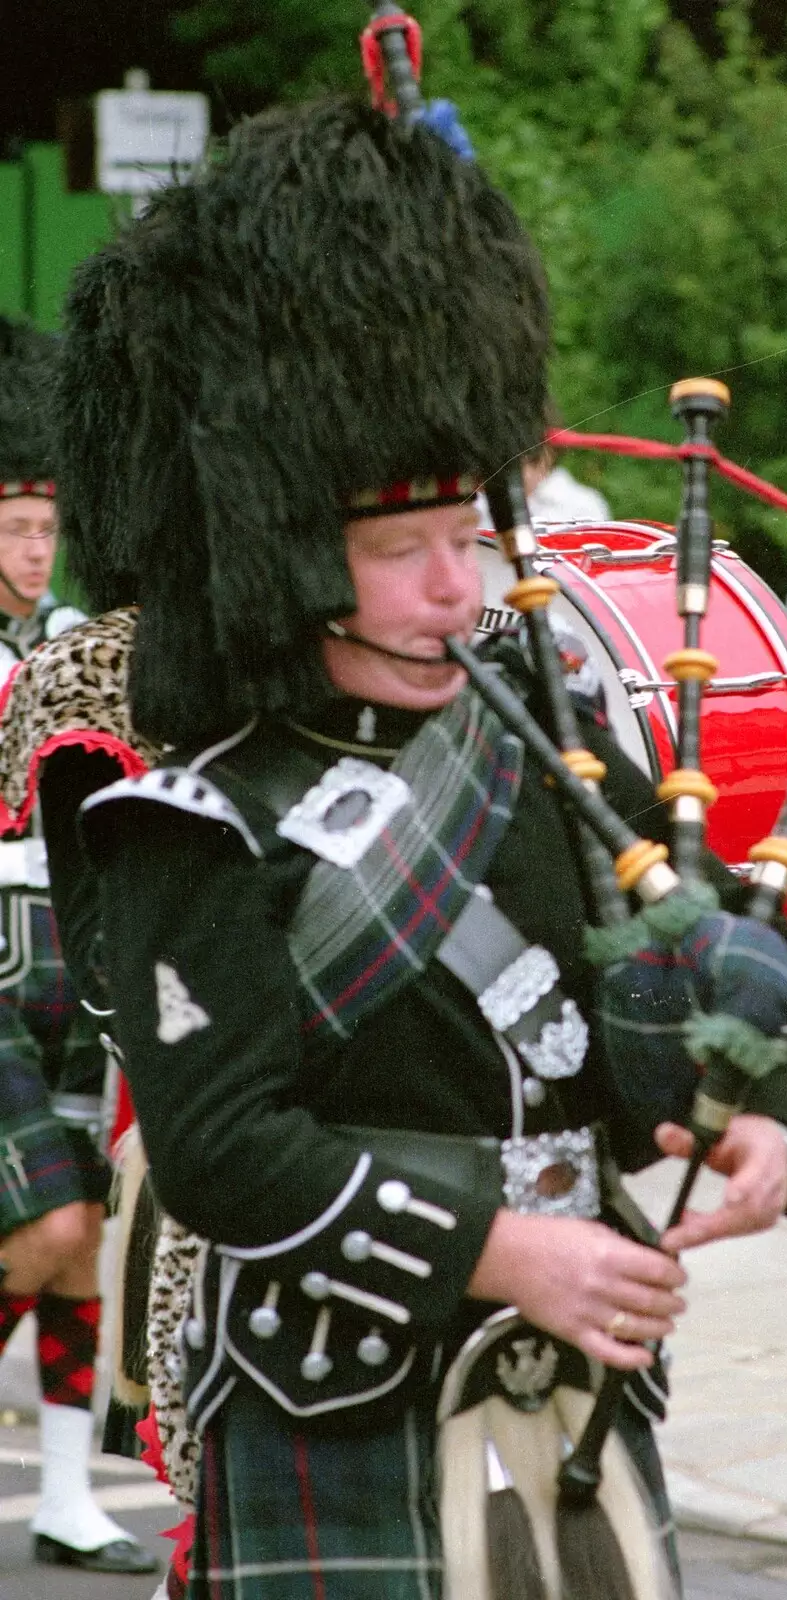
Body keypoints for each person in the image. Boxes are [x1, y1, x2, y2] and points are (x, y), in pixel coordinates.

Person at [60, 95, 787, 1599]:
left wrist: (768, 1113)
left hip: (572, 1386)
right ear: (287, 560)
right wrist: (502, 1250)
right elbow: (224, 1153)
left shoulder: (538, 745)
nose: (447, 588)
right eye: (394, 549)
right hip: (330, 1392)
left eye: (465, 539)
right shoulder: (187, 823)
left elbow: (721, 962)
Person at [0, 317, 157, 1575]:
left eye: (47, 523)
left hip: (72, 939)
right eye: (13, 521)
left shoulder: (72, 642)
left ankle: (63, 1495)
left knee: (84, 1231)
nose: (34, 543)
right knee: (44, 1228)